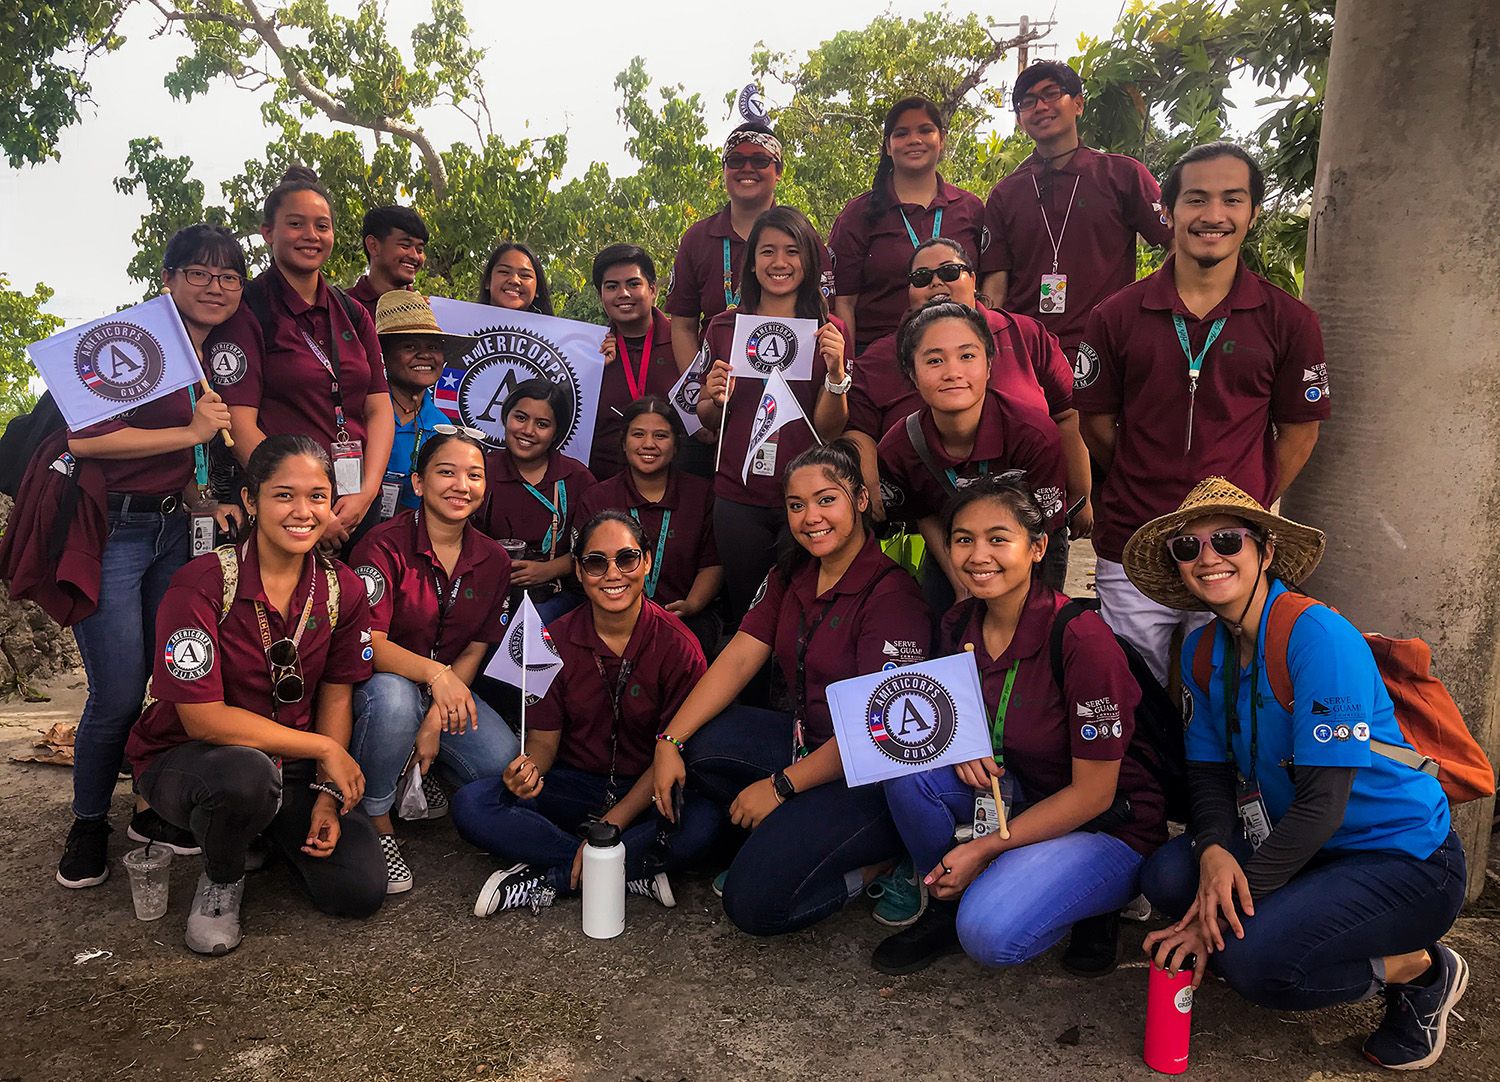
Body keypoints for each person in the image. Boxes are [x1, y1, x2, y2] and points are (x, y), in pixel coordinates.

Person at [1126, 478, 1467, 1072]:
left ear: (1267, 552)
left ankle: (1422, 968)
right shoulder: (1203, 649)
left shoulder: (1318, 637)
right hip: (1297, 842)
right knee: (1171, 875)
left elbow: (1323, 802)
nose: (1208, 559)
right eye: (1189, 548)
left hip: (1399, 858)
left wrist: (1214, 924)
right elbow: (1206, 772)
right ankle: (1281, 921)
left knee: (1255, 964)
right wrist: (1211, 852)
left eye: (1227, 540)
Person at [871, 476, 1165, 975]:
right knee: (907, 769)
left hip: (1108, 823)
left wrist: (984, 849)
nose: (978, 554)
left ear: (1037, 547)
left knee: (991, 937)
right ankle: (945, 906)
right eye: (963, 539)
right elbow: (943, 712)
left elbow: (1094, 795)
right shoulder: (958, 624)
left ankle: (1096, 902)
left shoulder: (1082, 640)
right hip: (1018, 792)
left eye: (998, 539)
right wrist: (955, 743)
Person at [653, 441, 933, 936]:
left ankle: (885, 862)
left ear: (861, 500)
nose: (811, 517)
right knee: (698, 744)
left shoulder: (893, 596)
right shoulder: (792, 573)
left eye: (827, 499)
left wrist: (781, 787)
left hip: (866, 778)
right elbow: (739, 656)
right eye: (797, 505)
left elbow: (880, 735)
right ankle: (789, 833)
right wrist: (669, 740)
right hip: (807, 745)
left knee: (753, 904)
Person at [1075, 142, 1329, 681]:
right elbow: (1096, 424)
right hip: (1132, 539)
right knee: (1132, 688)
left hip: (1233, 547)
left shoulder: (1290, 321)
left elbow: (1300, 433)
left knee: (1223, 691)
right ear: (1167, 212)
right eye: (1196, 199)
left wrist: (1247, 498)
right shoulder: (1114, 317)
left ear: (1253, 213)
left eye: (1232, 200)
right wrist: (1145, 473)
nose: (1213, 216)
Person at [125, 435, 385, 955]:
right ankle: (222, 877)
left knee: (358, 890)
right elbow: (202, 720)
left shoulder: (342, 588)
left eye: (317, 496)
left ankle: (260, 833)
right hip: (194, 759)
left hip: (289, 763)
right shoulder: (200, 583)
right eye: (283, 495)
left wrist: (329, 798)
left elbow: (336, 697)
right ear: (250, 501)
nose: (302, 512)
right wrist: (325, 751)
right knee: (245, 777)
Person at [51, 224, 239, 888]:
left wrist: (203, 496)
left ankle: (151, 809)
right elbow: (84, 439)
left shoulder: (207, 353)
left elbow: (178, 458)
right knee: (118, 691)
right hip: (114, 536)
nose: (215, 287)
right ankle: (87, 822)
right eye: (199, 273)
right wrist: (190, 428)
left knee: (175, 680)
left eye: (228, 276)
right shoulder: (134, 339)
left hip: (173, 531)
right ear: (167, 279)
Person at [453, 511, 718, 915]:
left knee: (705, 822)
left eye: (626, 559)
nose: (613, 574)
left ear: (646, 561)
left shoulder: (679, 646)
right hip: (574, 784)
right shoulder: (551, 640)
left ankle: (555, 876)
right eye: (596, 562)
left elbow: (671, 755)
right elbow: (543, 744)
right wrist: (529, 772)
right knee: (472, 804)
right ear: (578, 570)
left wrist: (615, 821)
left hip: (644, 789)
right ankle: (622, 868)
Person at [347, 430, 519, 894]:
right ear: (418, 484)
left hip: (444, 685)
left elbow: (477, 646)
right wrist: (434, 677)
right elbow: (369, 642)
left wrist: (438, 716)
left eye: (474, 475)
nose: (461, 484)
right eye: (446, 472)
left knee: (499, 765)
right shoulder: (382, 545)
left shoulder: (494, 558)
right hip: (382, 682)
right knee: (396, 703)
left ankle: (418, 766)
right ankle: (376, 819)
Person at [845, 237, 1089, 563]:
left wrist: (1082, 496)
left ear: (973, 279)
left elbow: (1068, 414)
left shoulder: (1025, 335)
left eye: (949, 271)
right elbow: (858, 428)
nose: (935, 282)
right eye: (921, 277)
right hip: (946, 534)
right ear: (912, 371)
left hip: (1030, 528)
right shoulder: (882, 363)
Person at [210, 166, 396, 553]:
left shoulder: (353, 312)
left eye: (322, 226)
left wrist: (366, 493)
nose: (311, 236)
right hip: (287, 509)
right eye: (296, 224)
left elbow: (379, 409)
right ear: (268, 233)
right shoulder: (248, 310)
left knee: (354, 608)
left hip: (356, 501)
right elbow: (239, 426)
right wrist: (310, 505)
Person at [697, 206, 851, 626]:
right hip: (738, 498)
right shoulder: (724, 328)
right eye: (767, 251)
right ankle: (756, 695)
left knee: (803, 614)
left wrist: (836, 374)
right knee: (750, 616)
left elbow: (829, 430)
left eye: (791, 251)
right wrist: (712, 396)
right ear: (751, 262)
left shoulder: (829, 330)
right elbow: (706, 418)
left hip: (804, 502)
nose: (779, 263)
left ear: (809, 261)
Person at [876, 301, 1068, 613]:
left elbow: (1044, 527)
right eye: (935, 360)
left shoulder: (1034, 434)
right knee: (949, 630)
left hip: (1030, 546)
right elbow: (924, 514)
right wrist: (963, 586)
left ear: (990, 364)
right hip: (953, 550)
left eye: (967, 356)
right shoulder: (900, 448)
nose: (953, 373)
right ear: (912, 373)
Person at [978, 61, 1173, 362]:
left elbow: (1178, 243)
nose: (1040, 106)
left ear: (1078, 104)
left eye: (1051, 94)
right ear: (1020, 120)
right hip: (1027, 354)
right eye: (1027, 102)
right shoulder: (1006, 193)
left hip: (1107, 348)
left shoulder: (1122, 175)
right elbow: (996, 285)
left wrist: (1149, 310)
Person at [664, 122, 833, 367]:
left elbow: (827, 315)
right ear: (724, 170)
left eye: (760, 160)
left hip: (793, 380)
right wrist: (698, 389)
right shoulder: (697, 239)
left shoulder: (805, 238)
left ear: (779, 171)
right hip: (717, 392)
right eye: (735, 161)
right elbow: (682, 326)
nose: (747, 168)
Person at [829, 97, 985, 353]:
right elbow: (844, 303)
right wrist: (848, 373)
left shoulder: (970, 208)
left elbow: (988, 287)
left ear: (942, 139)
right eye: (902, 133)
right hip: (881, 359)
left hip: (958, 355)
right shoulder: (859, 214)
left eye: (925, 130)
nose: (915, 140)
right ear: (888, 147)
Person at [577, 396, 723, 655]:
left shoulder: (701, 495)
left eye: (661, 436)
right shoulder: (597, 497)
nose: (648, 444)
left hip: (683, 617)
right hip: (610, 613)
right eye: (638, 434)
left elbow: (711, 563)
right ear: (623, 443)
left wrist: (692, 604)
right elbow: (585, 565)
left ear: (676, 445)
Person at [476, 378, 596, 624]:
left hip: (556, 596)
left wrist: (548, 570)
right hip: (485, 589)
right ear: (505, 417)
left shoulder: (577, 478)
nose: (528, 431)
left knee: (531, 626)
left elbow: (596, 549)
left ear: (556, 433)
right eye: (520, 418)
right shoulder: (481, 470)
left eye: (542, 424)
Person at [372, 291, 476, 518]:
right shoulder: (361, 411)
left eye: (433, 347)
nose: (424, 355)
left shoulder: (442, 428)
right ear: (383, 355)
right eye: (410, 347)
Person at [590, 244, 680, 479]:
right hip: (607, 484)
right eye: (612, 286)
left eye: (633, 284)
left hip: (677, 487)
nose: (623, 294)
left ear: (653, 290)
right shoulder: (588, 352)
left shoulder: (685, 343)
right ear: (601, 296)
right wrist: (593, 370)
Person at [348, 205, 428, 316]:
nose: (414, 256)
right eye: (405, 245)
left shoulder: (428, 312)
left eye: (420, 250)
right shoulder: (341, 309)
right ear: (373, 246)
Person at [476, 241, 553, 315]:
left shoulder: (555, 328)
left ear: (538, 289)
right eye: (504, 272)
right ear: (488, 281)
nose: (514, 280)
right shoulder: (465, 323)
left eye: (525, 275)